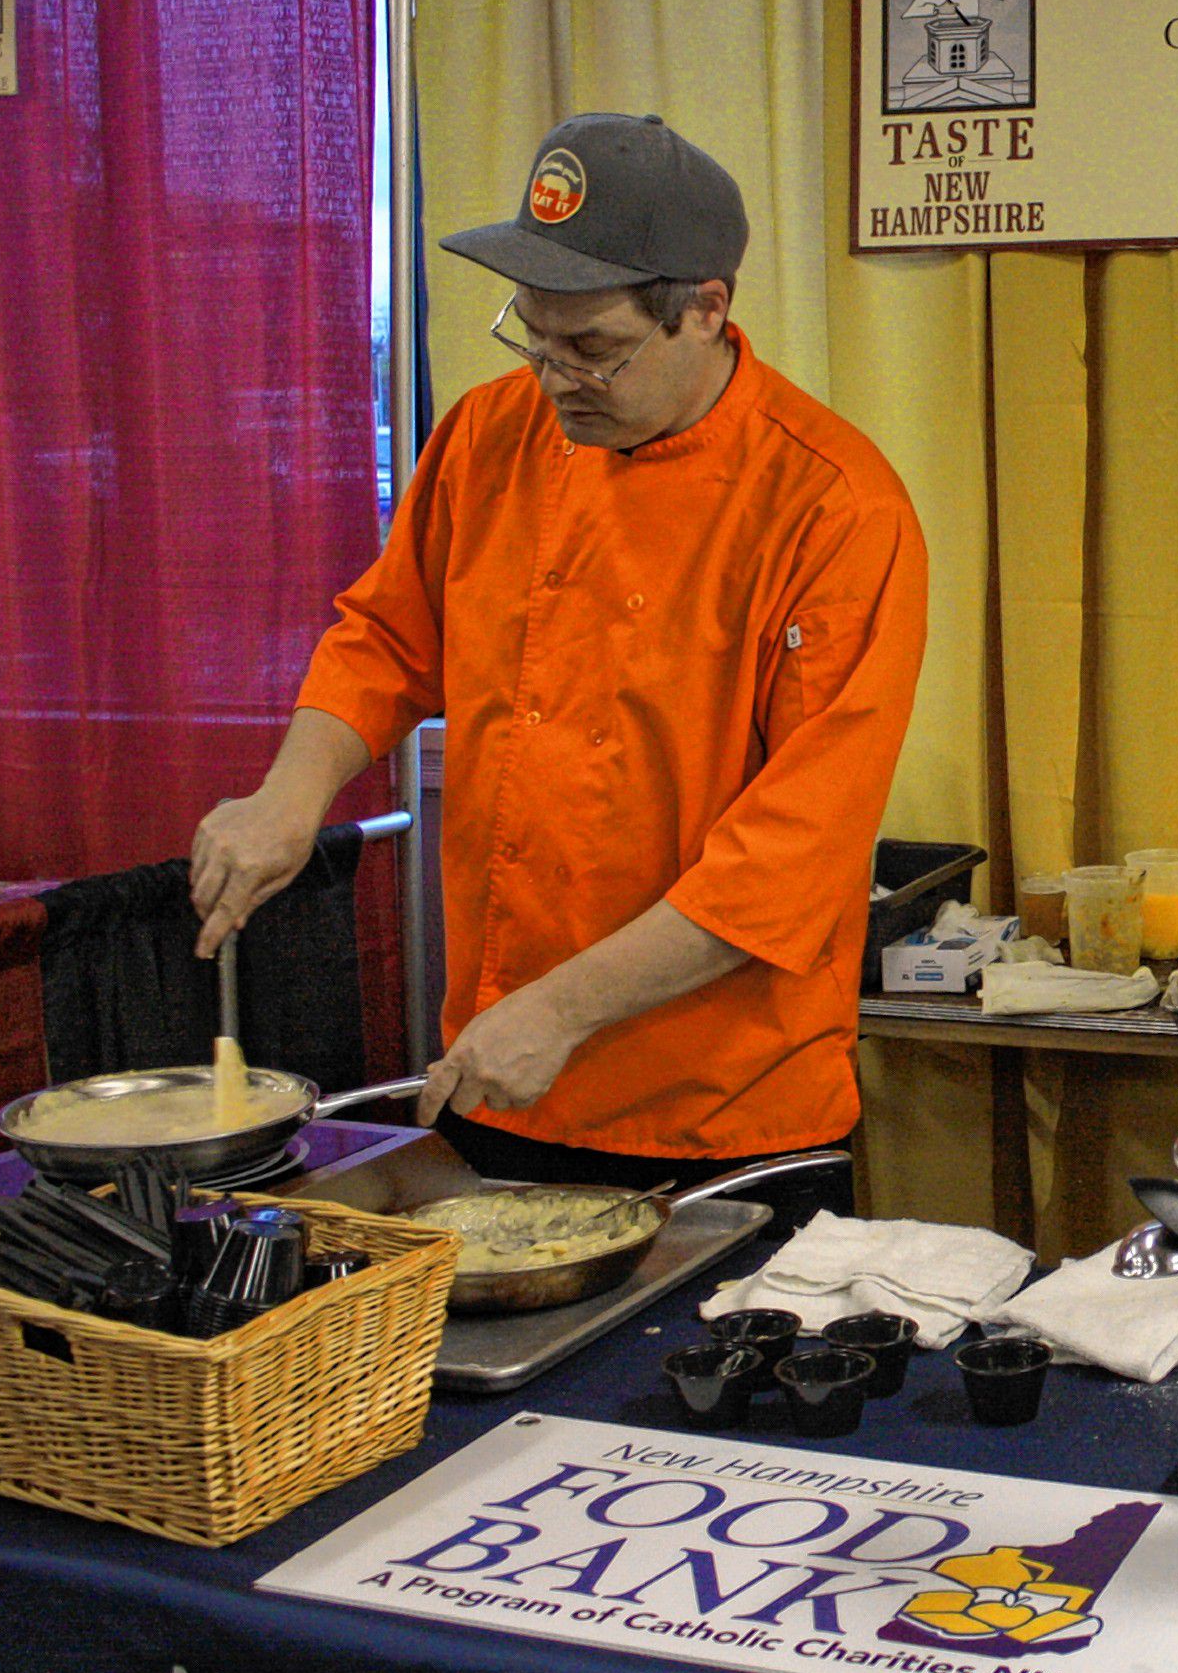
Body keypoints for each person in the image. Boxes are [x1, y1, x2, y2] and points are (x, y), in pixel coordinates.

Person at [190, 113, 929, 1224]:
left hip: (724, 1115)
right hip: (497, 1075)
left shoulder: (834, 507)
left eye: (592, 348)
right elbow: (388, 637)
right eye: (533, 335)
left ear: (708, 311)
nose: (554, 376)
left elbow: (792, 856)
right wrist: (290, 793)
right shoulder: (491, 434)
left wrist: (564, 1010)